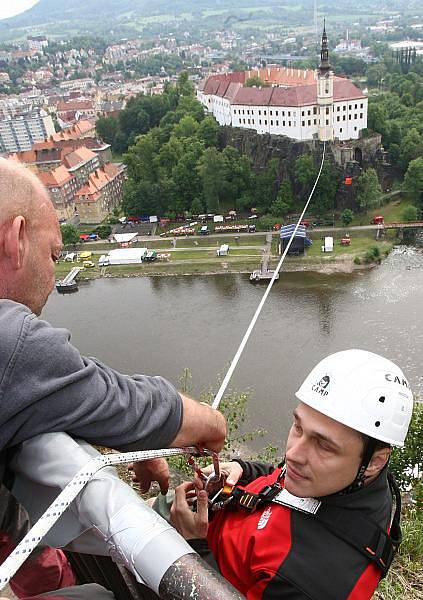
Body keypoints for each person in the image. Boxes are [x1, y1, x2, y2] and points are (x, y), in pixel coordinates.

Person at [0, 158, 241, 599]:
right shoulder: (10, 338)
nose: (54, 276)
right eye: (54, 254)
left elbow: (34, 397)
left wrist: (125, 442)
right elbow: (126, 402)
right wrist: (211, 422)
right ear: (16, 238)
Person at [164, 350, 414, 600]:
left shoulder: (314, 582)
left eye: (324, 445)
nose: (293, 454)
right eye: (297, 426)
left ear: (375, 461)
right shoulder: (342, 480)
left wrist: (192, 546)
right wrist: (245, 470)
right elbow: (279, 477)